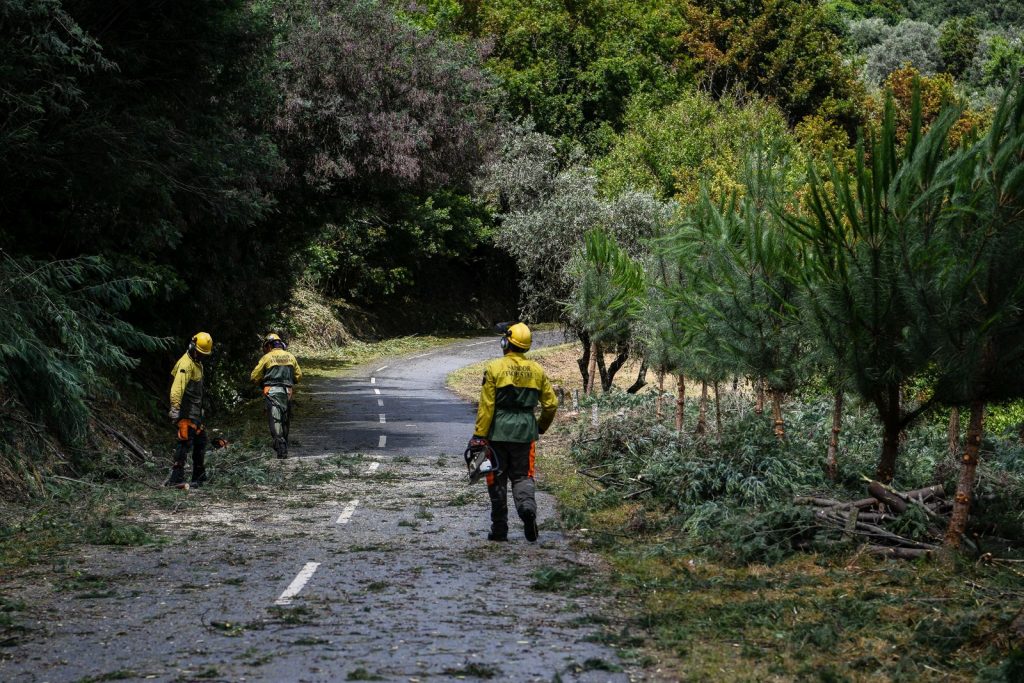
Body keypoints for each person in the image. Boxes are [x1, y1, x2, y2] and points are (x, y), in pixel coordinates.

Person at [470, 322, 558, 542]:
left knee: (496, 478)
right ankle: (527, 508)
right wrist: (540, 426)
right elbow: (551, 405)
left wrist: (479, 435)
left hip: (496, 434)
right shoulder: (537, 371)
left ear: (506, 342)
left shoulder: (494, 368)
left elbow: (487, 406)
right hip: (525, 434)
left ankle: (499, 529)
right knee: (522, 476)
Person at [166, 332, 212, 487]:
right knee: (184, 442)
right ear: (192, 346)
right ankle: (175, 478)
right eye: (199, 353)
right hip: (186, 412)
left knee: (201, 441)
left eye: (203, 354)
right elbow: (177, 387)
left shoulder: (198, 364)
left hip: (195, 412)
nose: (201, 356)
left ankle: (198, 476)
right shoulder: (186, 364)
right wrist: (175, 407)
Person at [250, 333, 302, 458]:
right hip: (287, 392)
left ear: (268, 345)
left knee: (275, 419)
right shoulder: (290, 356)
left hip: (271, 391)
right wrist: (289, 381)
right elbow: (298, 376)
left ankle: (280, 446)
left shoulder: (267, 358)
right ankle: (285, 443)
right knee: (285, 418)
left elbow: (254, 377)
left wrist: (262, 382)